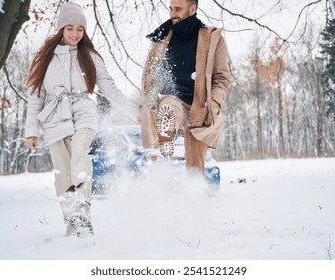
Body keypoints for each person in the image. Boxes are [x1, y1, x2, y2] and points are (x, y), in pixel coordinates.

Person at [25, 2, 137, 237]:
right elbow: (36, 97)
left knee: (79, 156)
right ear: (61, 29)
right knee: (62, 171)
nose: (75, 34)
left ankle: (82, 209)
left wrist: (135, 112)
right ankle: (71, 219)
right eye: (70, 28)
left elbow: (110, 89)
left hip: (84, 111)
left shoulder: (91, 56)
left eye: (80, 29)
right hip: (55, 116)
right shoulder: (45, 59)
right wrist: (31, 130)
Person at [139, 0, 231, 175]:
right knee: (169, 106)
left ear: (193, 9)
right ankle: (167, 130)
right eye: (171, 9)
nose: (173, 14)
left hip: (200, 106)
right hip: (173, 101)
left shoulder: (212, 38)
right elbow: (149, 75)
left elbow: (222, 77)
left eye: (178, 9)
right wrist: (145, 103)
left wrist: (214, 104)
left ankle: (194, 195)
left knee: (196, 168)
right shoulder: (162, 37)